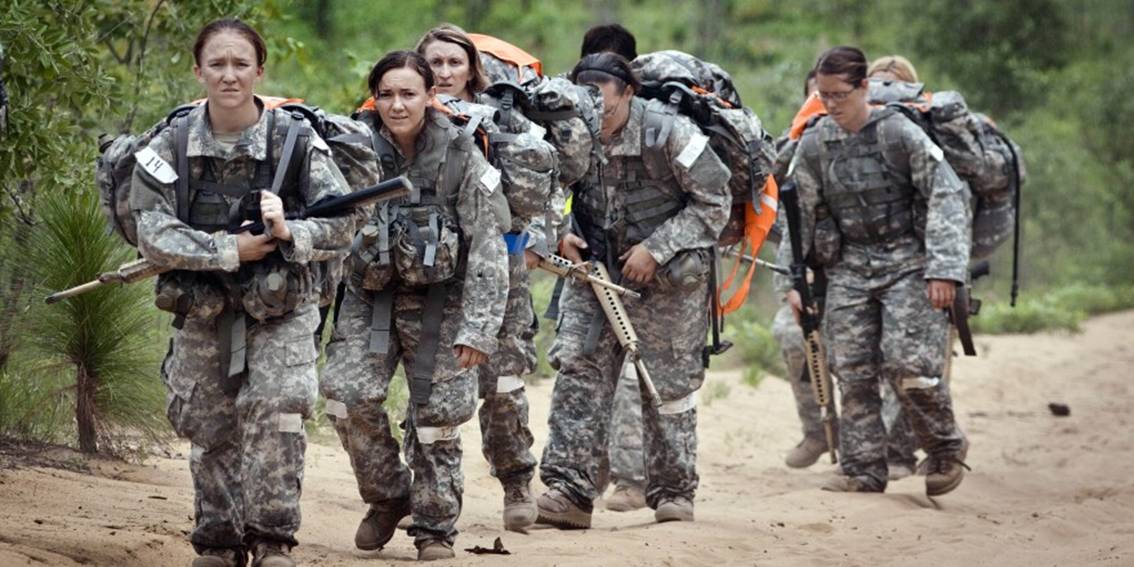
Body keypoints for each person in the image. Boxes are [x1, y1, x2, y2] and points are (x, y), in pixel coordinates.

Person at [130, 18, 356, 567]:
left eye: (240, 64)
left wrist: (288, 231)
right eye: (217, 64)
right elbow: (151, 229)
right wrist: (230, 250)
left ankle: (273, 538)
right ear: (198, 71)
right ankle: (218, 540)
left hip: (282, 309)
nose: (229, 75)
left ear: (259, 69)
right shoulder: (172, 143)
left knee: (277, 411)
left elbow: (345, 225)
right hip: (204, 308)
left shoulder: (297, 143)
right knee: (209, 423)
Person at [320, 50, 510, 561]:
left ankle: (434, 528)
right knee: (344, 395)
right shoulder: (353, 150)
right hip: (370, 296)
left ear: (431, 96)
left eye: (409, 94)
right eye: (387, 94)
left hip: (441, 301)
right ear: (374, 97)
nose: (397, 104)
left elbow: (489, 243)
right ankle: (387, 496)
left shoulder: (461, 152)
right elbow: (324, 226)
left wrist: (479, 327)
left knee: (439, 418)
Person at [536, 52, 731, 528]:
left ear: (628, 91)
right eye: (586, 91)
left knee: (667, 384)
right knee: (578, 370)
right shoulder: (567, 132)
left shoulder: (670, 132)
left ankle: (673, 491)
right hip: (596, 271)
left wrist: (657, 249)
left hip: (668, 280)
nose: (594, 102)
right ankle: (571, 492)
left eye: (604, 90)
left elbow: (715, 200)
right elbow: (544, 189)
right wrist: (561, 230)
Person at [787, 46, 971, 495]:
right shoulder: (815, 142)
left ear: (864, 88)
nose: (830, 103)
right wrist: (795, 282)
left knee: (909, 365)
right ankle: (863, 469)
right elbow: (799, 217)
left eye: (840, 94)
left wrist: (944, 269)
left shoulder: (898, 133)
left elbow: (947, 195)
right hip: (849, 266)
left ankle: (946, 448)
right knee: (852, 368)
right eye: (823, 94)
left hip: (908, 263)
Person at [415, 23, 554, 532]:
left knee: (503, 378)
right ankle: (426, 494)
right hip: (428, 274)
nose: (444, 72)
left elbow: (542, 187)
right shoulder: (406, 118)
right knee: (427, 380)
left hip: (503, 271)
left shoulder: (503, 122)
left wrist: (537, 241)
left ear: (472, 68)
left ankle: (516, 481)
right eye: (435, 63)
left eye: (454, 62)